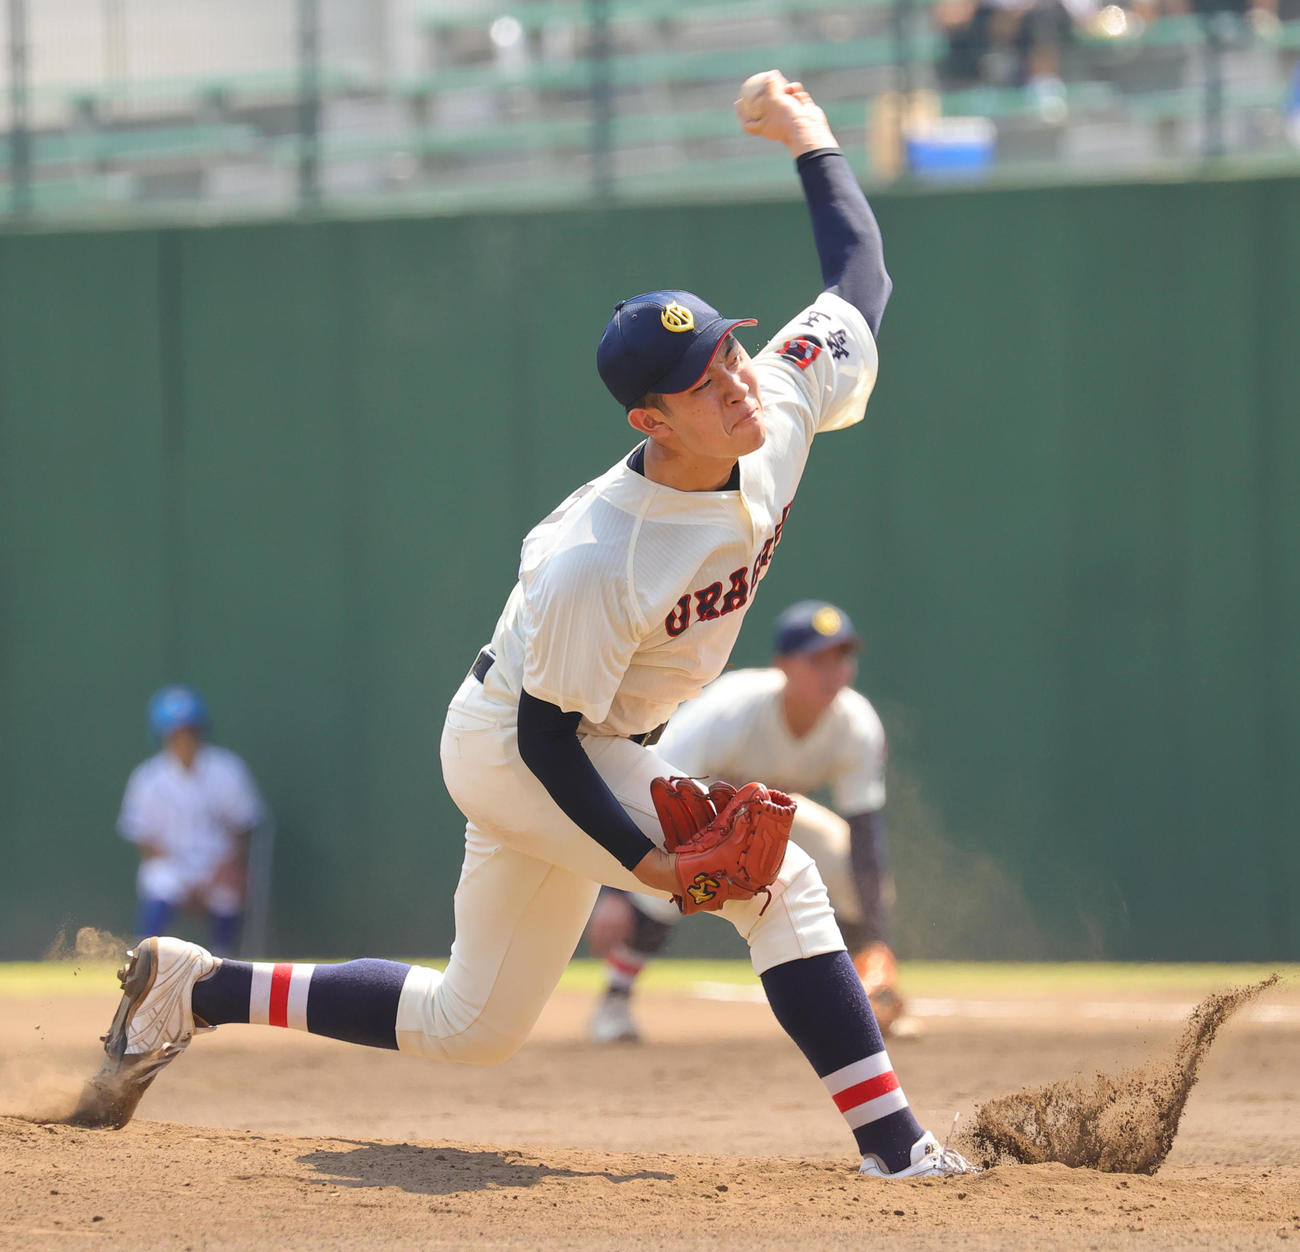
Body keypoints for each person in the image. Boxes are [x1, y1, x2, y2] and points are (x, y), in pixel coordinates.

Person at [80, 71, 976, 1180]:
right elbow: (547, 741)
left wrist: (809, 133)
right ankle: (897, 1148)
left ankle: (196, 987)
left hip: (591, 737)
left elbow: (859, 277)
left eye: (729, 350)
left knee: (474, 1023)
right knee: (776, 882)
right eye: (702, 382)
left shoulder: (777, 401)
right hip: (520, 743)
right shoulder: (599, 555)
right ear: (650, 418)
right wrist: (648, 862)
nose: (735, 382)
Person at [586, 599, 909, 1045]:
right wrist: (615, 892)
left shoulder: (856, 724)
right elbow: (646, 786)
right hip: (692, 801)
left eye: (842, 657)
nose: (832, 672)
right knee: (668, 882)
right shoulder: (731, 712)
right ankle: (615, 999)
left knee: (843, 860)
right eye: (817, 659)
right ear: (783, 666)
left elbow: (865, 831)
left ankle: (868, 994)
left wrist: (877, 938)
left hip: (774, 808)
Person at [117, 685, 266, 958]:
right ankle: (146, 959)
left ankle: (223, 960)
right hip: (172, 865)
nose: (184, 739)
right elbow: (145, 841)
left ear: (201, 731)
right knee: (158, 880)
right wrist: (187, 882)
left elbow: (243, 828)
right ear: (163, 736)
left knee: (228, 890)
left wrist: (226, 867)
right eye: (176, 733)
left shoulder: (227, 769)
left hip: (217, 863)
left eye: (190, 731)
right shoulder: (148, 777)